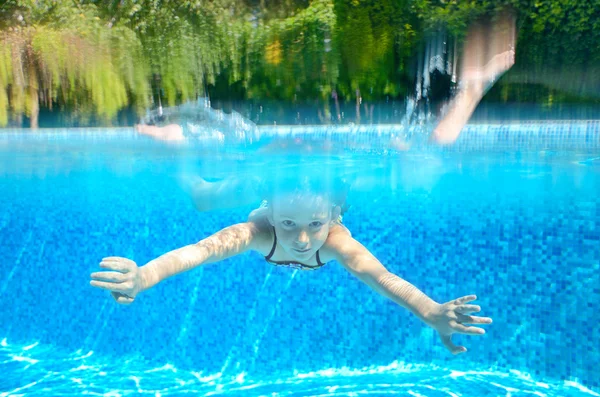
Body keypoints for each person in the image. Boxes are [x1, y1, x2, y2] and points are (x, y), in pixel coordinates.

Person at [90, 179, 492, 355]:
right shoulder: (258, 231)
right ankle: (179, 151)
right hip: (262, 191)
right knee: (202, 199)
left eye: (314, 225)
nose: (301, 240)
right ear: (271, 213)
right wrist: (144, 276)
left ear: (333, 215)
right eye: (288, 225)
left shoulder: (336, 240)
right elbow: (201, 251)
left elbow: (383, 278)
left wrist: (431, 312)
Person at [430, 10, 516, 144]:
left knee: (474, 85)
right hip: (470, 85)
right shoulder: (476, 82)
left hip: (470, 86)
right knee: (474, 84)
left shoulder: (474, 82)